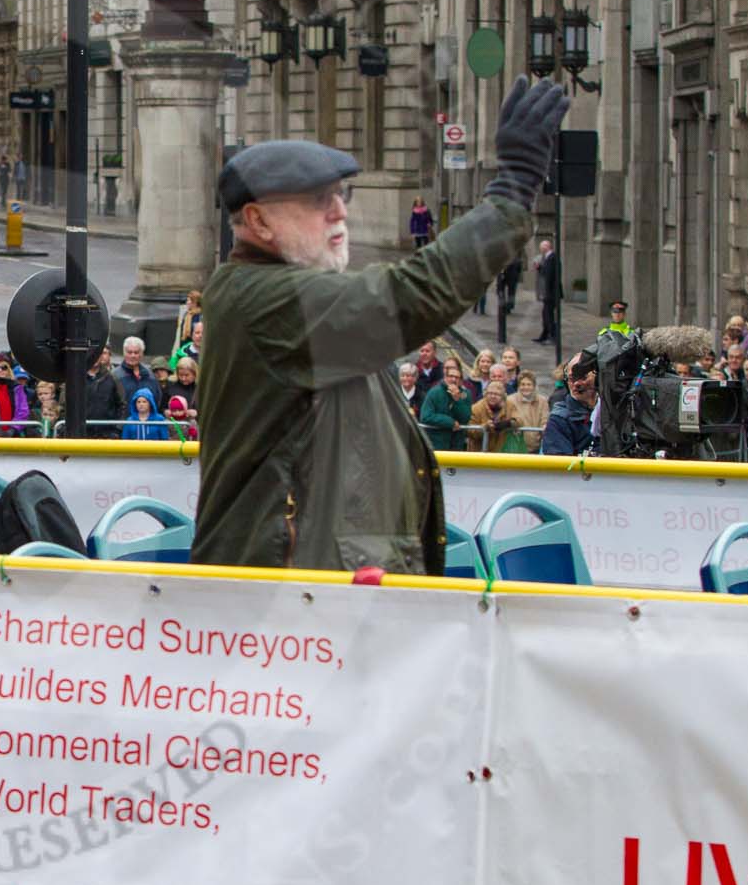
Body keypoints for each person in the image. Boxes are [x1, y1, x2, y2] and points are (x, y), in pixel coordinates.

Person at [194, 75, 569, 572]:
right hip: (288, 599)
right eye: (317, 201)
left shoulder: (292, 294)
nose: (339, 212)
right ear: (259, 222)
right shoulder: (262, 297)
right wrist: (511, 192)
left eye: (340, 194)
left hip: (329, 590)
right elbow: (408, 296)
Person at [540, 356, 597, 456]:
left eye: (583, 377)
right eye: (572, 378)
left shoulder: (614, 412)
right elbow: (560, 465)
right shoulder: (559, 419)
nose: (576, 384)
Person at [419, 360, 473, 451]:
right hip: (437, 444)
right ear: (445, 377)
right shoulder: (434, 392)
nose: (453, 380)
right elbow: (426, 416)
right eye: (451, 376)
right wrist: (450, 422)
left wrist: (457, 400)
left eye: (457, 377)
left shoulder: (466, 394)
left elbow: (465, 418)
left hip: (456, 445)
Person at [532, 238, 560, 343]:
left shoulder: (552, 258)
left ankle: (552, 337)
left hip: (551, 293)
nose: (541, 250)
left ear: (546, 247)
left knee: (549, 315)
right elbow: (546, 273)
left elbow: (550, 277)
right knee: (545, 315)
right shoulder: (548, 258)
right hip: (548, 293)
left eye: (541, 248)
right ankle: (544, 335)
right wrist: (539, 268)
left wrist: (546, 293)